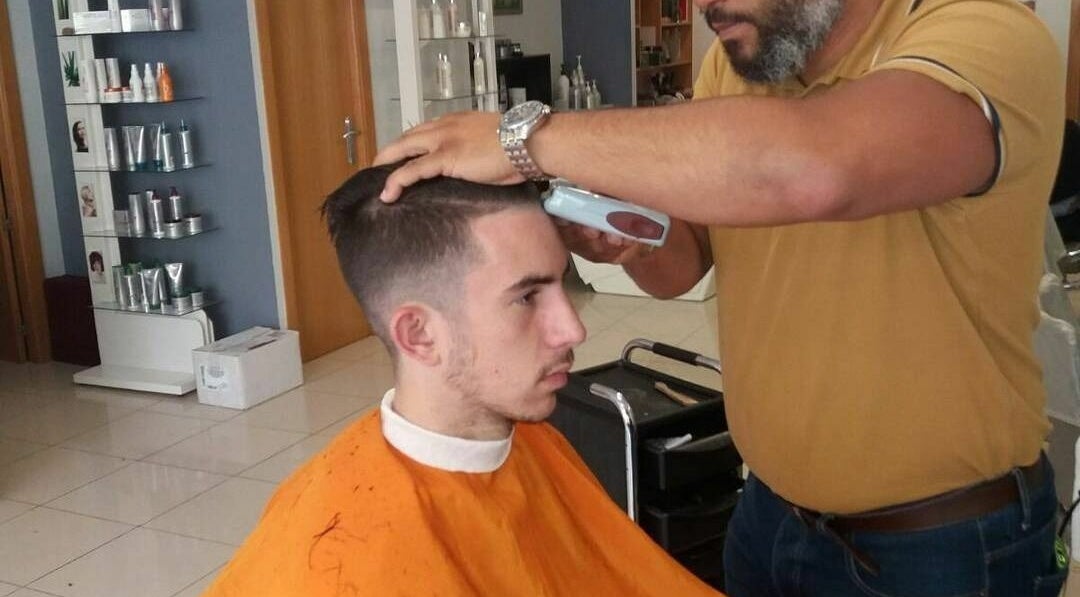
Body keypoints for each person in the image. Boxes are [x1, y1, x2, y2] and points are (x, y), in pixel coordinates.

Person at [372, 0, 1067, 593]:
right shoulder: (741, 64)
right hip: (768, 513)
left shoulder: (985, 36)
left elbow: (816, 167)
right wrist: (634, 239)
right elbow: (683, 263)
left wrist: (527, 139)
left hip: (938, 545)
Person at [202, 163, 722, 596]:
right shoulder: (342, 563)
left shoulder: (536, 444)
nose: (574, 328)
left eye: (560, 283)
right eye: (526, 297)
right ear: (420, 334)